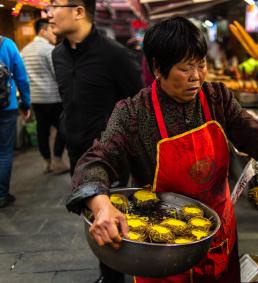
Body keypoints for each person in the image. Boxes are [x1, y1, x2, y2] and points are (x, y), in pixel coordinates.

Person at [66, 17, 258, 283]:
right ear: (157, 68)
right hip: (162, 246)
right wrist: (101, 205)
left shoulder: (217, 98)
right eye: (185, 68)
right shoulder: (134, 113)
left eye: (201, 64)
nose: (196, 77)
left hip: (218, 232)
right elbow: (97, 159)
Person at [47, 0, 142, 281]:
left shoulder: (115, 55)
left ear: (78, 11)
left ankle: (114, 276)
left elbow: (138, 105)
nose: (49, 13)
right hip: (77, 155)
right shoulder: (58, 55)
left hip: (111, 157)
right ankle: (109, 272)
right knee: (91, 217)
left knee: (110, 214)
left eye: (55, 6)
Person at [21, 18, 69, 174]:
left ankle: (46, 162)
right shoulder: (49, 50)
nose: (53, 32)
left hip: (36, 98)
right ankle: (57, 160)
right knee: (63, 129)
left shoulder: (24, 51)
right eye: (50, 29)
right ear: (42, 31)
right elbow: (58, 75)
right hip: (53, 98)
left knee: (42, 131)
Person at [0, 36, 31, 208]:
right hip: (6, 107)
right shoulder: (7, 44)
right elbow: (22, 78)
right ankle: (2, 195)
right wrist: (26, 103)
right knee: (4, 152)